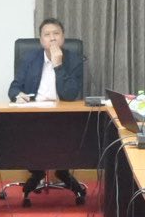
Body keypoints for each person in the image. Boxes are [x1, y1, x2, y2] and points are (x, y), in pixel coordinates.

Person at [8, 17, 88, 203]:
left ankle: (62, 170)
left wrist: (58, 65)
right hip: (33, 115)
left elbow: (70, 95)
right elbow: (13, 88)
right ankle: (37, 171)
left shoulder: (74, 60)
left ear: (63, 37)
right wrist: (18, 95)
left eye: (56, 34)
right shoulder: (30, 59)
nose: (52, 38)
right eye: (47, 35)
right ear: (41, 40)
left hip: (64, 117)